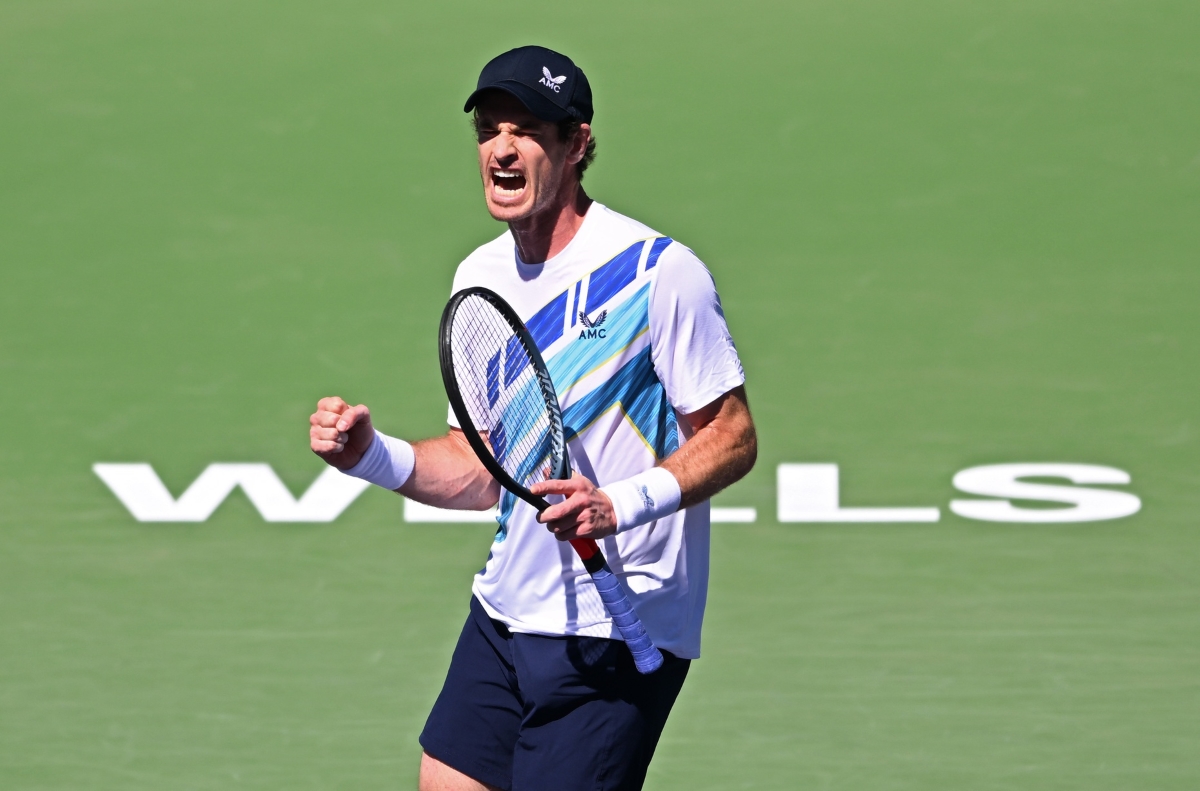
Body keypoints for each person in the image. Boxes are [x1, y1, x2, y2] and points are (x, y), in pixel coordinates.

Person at [308, 45, 757, 791]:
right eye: (490, 130)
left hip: (617, 630)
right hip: (506, 611)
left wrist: (620, 503)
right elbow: (482, 469)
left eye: (527, 131)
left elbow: (734, 436)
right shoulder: (479, 277)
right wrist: (369, 454)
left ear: (577, 143)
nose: (502, 149)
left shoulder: (657, 272)